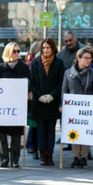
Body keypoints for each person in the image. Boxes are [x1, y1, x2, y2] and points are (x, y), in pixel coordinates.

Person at [61, 47, 93, 169]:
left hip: (87, 108)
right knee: (74, 132)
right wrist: (62, 105)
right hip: (73, 108)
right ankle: (75, 157)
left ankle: (84, 156)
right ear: (78, 58)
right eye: (86, 58)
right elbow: (64, 90)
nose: (89, 60)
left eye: (90, 58)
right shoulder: (68, 72)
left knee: (86, 132)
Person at [0, 42, 30, 168]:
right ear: (8, 52)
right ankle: (4, 159)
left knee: (16, 135)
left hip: (17, 106)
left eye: (18, 51)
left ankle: (15, 160)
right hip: (2, 106)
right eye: (14, 51)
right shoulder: (0, 68)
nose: (17, 54)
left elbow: (29, 84)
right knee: (1, 135)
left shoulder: (24, 68)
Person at [29, 38, 65, 166]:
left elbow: (61, 82)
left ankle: (50, 155)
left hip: (52, 102)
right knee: (40, 129)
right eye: (43, 48)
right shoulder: (35, 63)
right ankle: (43, 155)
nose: (45, 50)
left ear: (53, 48)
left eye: (48, 47)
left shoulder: (59, 63)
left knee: (51, 130)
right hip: (39, 102)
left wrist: (52, 96)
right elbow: (32, 82)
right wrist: (39, 96)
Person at [26, 41, 41, 157]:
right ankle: (32, 145)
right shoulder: (34, 63)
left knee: (33, 123)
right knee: (34, 123)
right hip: (34, 97)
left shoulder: (28, 61)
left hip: (33, 96)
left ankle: (31, 145)